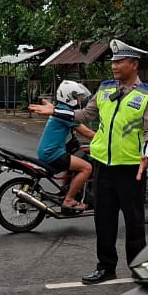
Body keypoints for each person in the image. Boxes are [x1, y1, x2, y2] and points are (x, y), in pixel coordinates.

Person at [30, 39, 148, 284]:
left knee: (134, 222)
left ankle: (139, 268)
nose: (114, 66)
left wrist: (146, 155)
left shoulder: (147, 95)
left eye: (120, 62)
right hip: (102, 165)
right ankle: (106, 267)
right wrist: (56, 111)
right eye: (113, 61)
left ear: (134, 64)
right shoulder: (106, 88)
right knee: (104, 220)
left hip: (131, 167)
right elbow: (84, 114)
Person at [34, 80, 96, 212]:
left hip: (46, 151)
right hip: (53, 154)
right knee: (87, 168)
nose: (80, 100)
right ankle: (69, 200)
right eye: (77, 97)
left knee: (74, 159)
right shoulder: (66, 114)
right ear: (69, 97)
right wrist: (106, 140)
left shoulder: (60, 110)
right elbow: (87, 133)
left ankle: (65, 191)